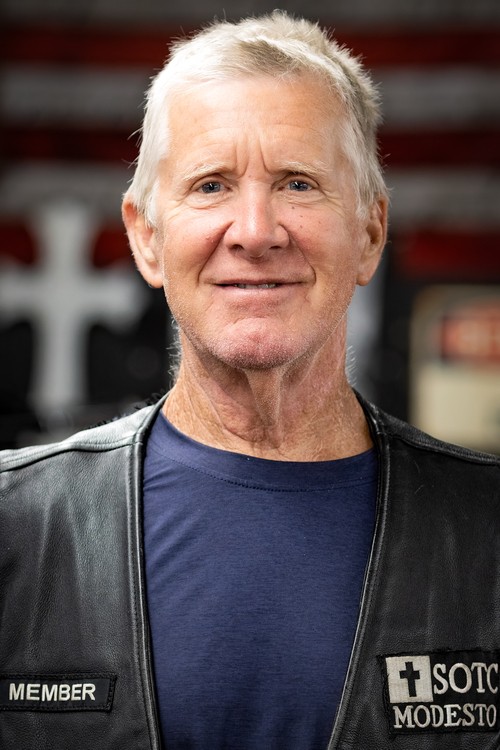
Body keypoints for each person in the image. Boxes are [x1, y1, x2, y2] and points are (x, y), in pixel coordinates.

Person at [1, 11, 499, 750]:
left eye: (298, 183)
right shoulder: (14, 527)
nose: (256, 231)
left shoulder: (489, 533)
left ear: (369, 233)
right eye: (212, 185)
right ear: (146, 237)